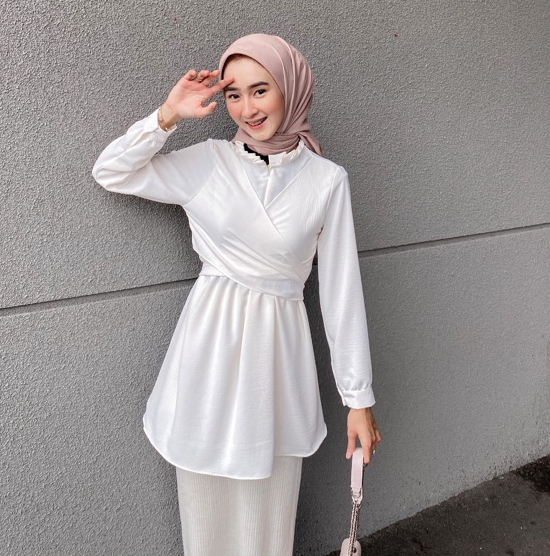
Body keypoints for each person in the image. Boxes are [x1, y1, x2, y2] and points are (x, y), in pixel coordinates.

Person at [91, 33, 381, 555]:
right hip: (208, 354)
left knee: (268, 512)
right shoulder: (208, 162)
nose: (247, 108)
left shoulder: (326, 180)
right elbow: (111, 171)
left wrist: (357, 399)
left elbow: (342, 293)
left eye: (260, 90)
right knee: (204, 508)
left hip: (277, 361)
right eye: (234, 94)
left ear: (291, 87)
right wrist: (168, 115)